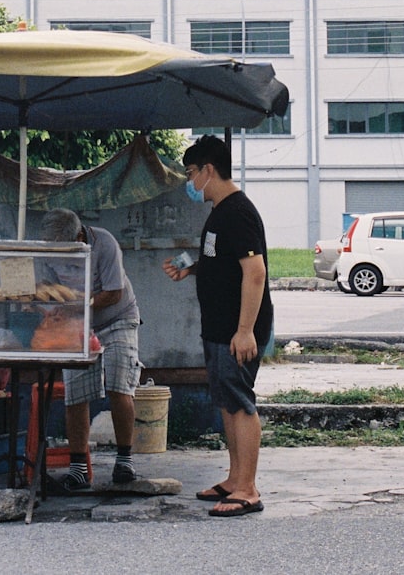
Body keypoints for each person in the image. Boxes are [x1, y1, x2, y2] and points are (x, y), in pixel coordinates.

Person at [162, 135, 273, 517]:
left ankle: (248, 489)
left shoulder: (238, 212)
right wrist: (190, 269)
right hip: (219, 327)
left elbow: (254, 273)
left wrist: (245, 330)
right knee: (227, 402)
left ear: (209, 170)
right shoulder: (220, 211)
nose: (190, 182)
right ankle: (234, 478)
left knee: (240, 403)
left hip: (235, 330)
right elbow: (222, 263)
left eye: (191, 173)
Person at [39, 208, 142, 491]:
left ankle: (124, 460)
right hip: (77, 320)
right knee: (76, 391)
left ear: (80, 236)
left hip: (117, 318)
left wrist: (78, 305)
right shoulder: (51, 251)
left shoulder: (105, 243)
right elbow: (50, 288)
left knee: (119, 385)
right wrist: (51, 308)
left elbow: (113, 292)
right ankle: (78, 469)